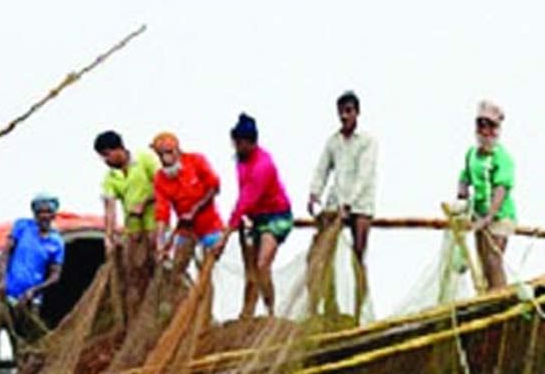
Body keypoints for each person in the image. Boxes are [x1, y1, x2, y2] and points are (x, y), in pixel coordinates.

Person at [308, 90, 378, 314]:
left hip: (360, 204)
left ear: (357, 113)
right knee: (323, 252)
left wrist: (349, 203)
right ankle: (330, 304)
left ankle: (359, 308)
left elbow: (364, 175)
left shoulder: (368, 142)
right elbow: (322, 168)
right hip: (335, 202)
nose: (345, 117)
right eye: (341, 112)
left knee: (358, 254)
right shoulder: (334, 142)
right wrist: (314, 193)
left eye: (348, 112)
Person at [229, 113, 293, 318]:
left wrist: (226, 233)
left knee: (262, 264)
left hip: (276, 217)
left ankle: (271, 310)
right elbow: (243, 193)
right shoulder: (240, 161)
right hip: (255, 218)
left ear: (251, 143)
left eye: (240, 143)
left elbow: (247, 198)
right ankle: (247, 311)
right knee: (250, 271)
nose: (236, 147)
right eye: (235, 142)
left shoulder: (263, 166)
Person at [95, 130, 160, 318]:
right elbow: (110, 207)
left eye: (107, 155)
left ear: (119, 149)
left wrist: (144, 203)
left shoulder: (145, 159)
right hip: (133, 229)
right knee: (134, 274)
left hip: (154, 223)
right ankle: (137, 317)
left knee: (156, 266)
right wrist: (109, 236)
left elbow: (163, 187)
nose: (106, 160)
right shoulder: (111, 177)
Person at [457, 101, 516, 290]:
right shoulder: (472, 154)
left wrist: (489, 217)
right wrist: (462, 191)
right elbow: (465, 176)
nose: (485, 130)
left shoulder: (502, 156)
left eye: (490, 126)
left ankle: (500, 297)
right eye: (481, 125)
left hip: (500, 216)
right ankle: (486, 296)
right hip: (479, 214)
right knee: (481, 262)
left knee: (493, 259)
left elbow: (501, 189)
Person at [150, 131, 225, 274]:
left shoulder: (196, 161)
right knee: (177, 269)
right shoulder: (160, 179)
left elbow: (214, 186)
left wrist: (194, 211)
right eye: (161, 155)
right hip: (185, 232)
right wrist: (160, 243)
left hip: (210, 228)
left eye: (168, 153)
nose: (165, 159)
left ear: (177, 150)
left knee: (208, 271)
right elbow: (162, 213)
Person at [0, 193, 65, 314]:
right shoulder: (22, 226)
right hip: (9, 292)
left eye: (48, 212)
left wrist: (34, 291)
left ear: (54, 215)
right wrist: (2, 280)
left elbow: (55, 276)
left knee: (27, 328)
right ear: (34, 214)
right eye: (40, 212)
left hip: (32, 299)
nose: (44, 216)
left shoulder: (56, 242)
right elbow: (5, 254)